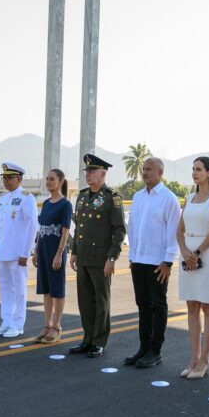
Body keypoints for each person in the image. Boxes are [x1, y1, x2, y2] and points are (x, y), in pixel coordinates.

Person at [124, 157, 181, 368]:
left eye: (149, 169)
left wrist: (168, 262)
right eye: (143, 169)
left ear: (160, 173)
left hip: (158, 263)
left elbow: (173, 231)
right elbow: (133, 228)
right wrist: (132, 255)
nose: (145, 173)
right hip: (139, 259)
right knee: (142, 305)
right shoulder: (138, 197)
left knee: (158, 305)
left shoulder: (169, 198)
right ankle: (143, 348)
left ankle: (155, 351)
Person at [68, 153, 126, 358]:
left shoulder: (112, 197)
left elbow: (119, 230)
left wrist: (112, 258)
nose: (88, 175)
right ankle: (87, 339)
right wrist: (74, 252)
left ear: (103, 173)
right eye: (87, 172)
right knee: (85, 300)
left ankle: (99, 341)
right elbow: (79, 228)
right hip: (83, 256)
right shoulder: (82, 196)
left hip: (101, 258)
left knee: (101, 301)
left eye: (92, 172)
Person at [176, 156, 209, 379]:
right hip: (187, 254)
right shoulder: (189, 198)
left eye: (199, 169)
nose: (194, 173)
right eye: (193, 169)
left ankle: (205, 358)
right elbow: (179, 230)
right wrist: (185, 251)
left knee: (208, 306)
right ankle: (194, 357)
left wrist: (196, 253)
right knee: (192, 306)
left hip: (206, 255)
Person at [0, 162, 38, 338]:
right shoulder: (2, 199)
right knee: (4, 289)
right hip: (3, 252)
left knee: (19, 290)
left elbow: (33, 226)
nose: (6, 181)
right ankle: (6, 321)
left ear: (19, 179)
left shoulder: (27, 198)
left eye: (9, 178)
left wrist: (26, 252)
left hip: (18, 253)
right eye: (4, 178)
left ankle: (17, 324)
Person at [31, 168, 73, 344]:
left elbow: (65, 231)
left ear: (61, 181)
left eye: (52, 179)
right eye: (47, 179)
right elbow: (41, 230)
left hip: (56, 251)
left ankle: (56, 326)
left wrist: (59, 254)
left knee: (57, 289)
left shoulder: (65, 205)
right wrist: (36, 250)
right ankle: (47, 324)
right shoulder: (47, 203)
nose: (48, 182)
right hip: (43, 250)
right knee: (46, 289)